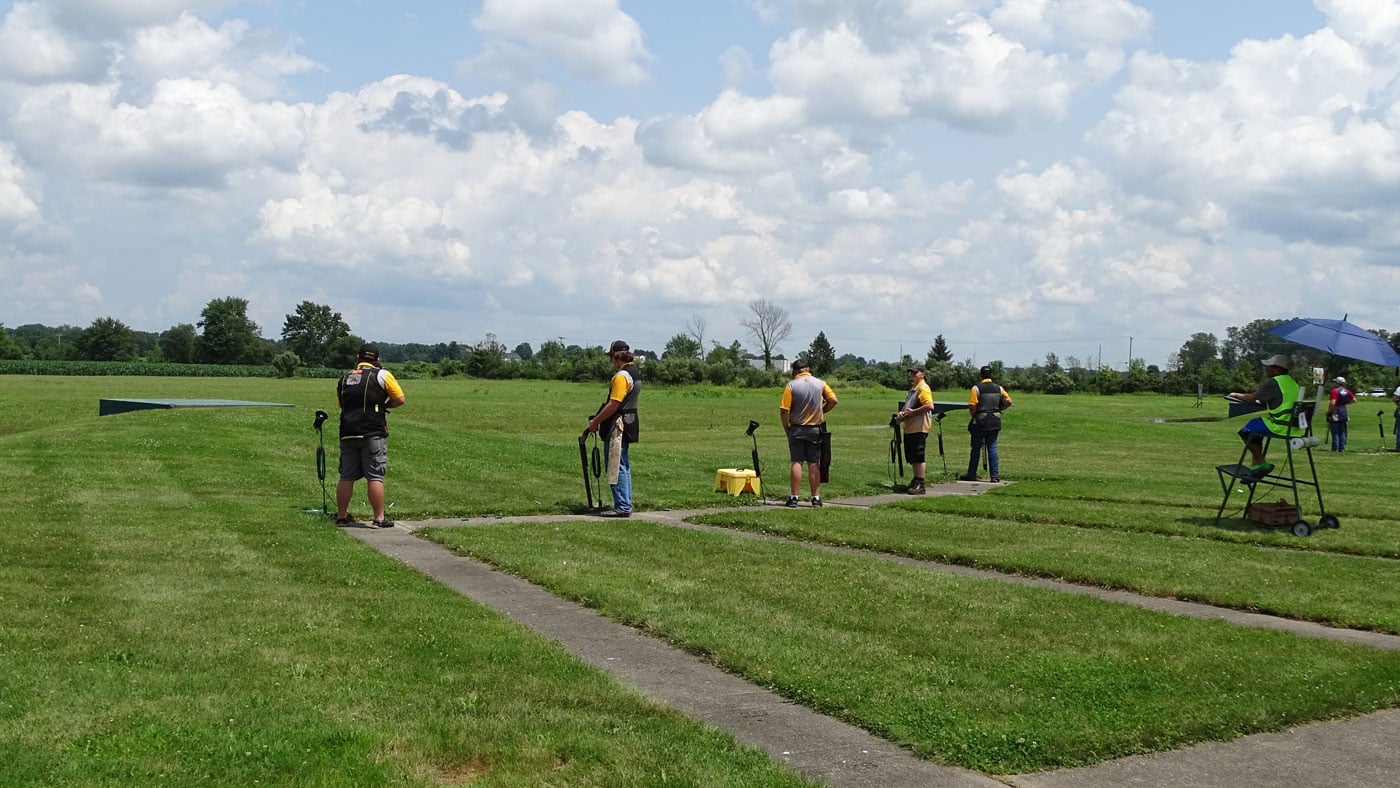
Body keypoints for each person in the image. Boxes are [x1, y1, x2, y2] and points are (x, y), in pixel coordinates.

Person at [335, 343, 406, 528]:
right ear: (377, 360)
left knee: (346, 476)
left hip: (348, 432)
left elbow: (342, 405)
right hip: (372, 432)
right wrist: (384, 406)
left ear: (357, 358)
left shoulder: (344, 378)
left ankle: (341, 516)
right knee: (375, 476)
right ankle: (379, 518)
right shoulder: (382, 375)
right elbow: (400, 399)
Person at [586, 340, 640, 518]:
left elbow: (613, 404)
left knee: (615, 464)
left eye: (611, 357)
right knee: (623, 464)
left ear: (617, 357)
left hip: (618, 424)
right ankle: (625, 503)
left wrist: (595, 422)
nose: (610, 361)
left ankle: (622, 506)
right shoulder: (634, 373)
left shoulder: (620, 376)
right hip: (630, 421)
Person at [1227, 353, 1300, 473]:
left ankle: (1262, 464)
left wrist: (1235, 394)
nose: (1266, 369)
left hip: (1281, 425)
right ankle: (1255, 466)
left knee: (1245, 431)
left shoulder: (1274, 382)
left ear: (1277, 369)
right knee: (1255, 427)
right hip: (1294, 426)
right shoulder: (1293, 383)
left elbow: (1252, 398)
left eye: (1269, 366)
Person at [779, 358, 838, 507]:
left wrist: (787, 428)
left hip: (797, 428)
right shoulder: (820, 383)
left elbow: (784, 410)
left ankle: (794, 497)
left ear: (794, 372)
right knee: (813, 463)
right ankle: (815, 498)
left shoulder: (791, 385)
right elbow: (833, 400)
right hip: (815, 429)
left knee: (796, 461)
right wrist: (821, 411)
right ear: (808, 369)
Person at [960, 366, 1011, 483]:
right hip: (995, 419)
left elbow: (972, 405)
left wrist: (974, 416)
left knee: (976, 448)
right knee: (992, 447)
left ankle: (972, 473)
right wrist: (999, 409)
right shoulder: (999, 388)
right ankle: (994, 476)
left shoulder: (976, 388)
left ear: (981, 375)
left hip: (980, 420)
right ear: (991, 375)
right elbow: (1008, 401)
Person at [895, 365, 935, 494]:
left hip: (919, 426)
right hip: (910, 427)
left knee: (918, 456)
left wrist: (913, 412)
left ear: (922, 374)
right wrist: (902, 414)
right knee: (912, 456)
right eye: (911, 373)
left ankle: (920, 483)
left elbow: (929, 406)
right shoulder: (912, 390)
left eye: (915, 373)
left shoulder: (923, 388)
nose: (912, 375)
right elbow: (908, 406)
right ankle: (916, 479)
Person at [1326, 376, 1354, 452]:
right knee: (1342, 431)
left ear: (1337, 383)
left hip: (1336, 412)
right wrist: (1345, 403)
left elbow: (1333, 403)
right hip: (1344, 412)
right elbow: (1354, 400)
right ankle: (1342, 448)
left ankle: (1335, 448)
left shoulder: (1334, 391)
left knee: (1335, 432)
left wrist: (1329, 412)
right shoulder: (1347, 391)